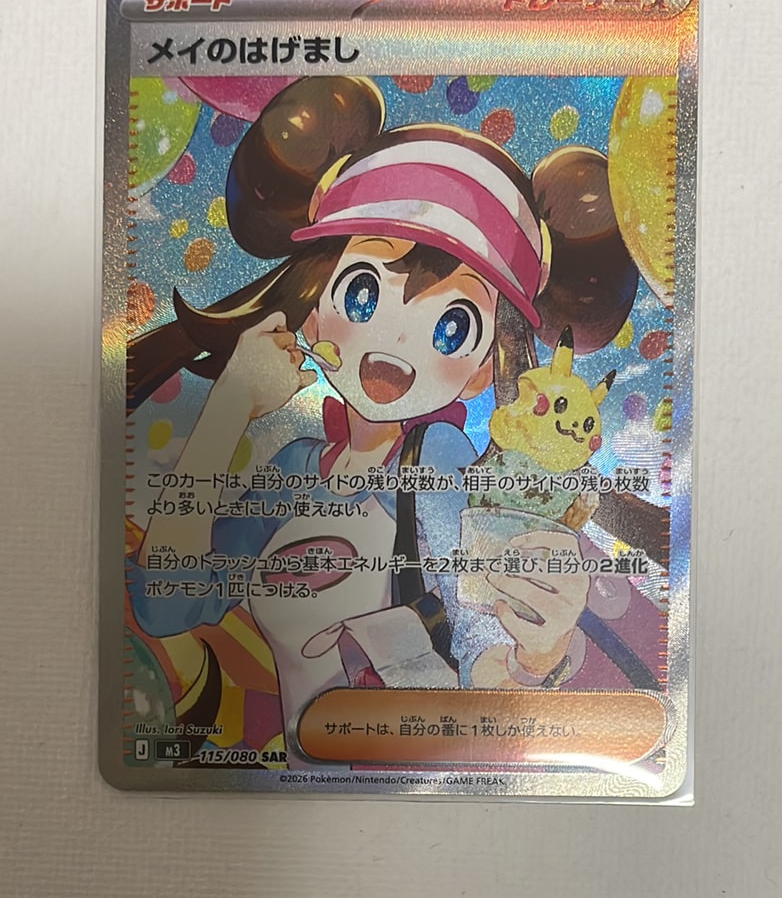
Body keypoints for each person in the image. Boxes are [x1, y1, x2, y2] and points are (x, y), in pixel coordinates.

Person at [126, 77, 656, 759]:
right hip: (296, 793)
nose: (396, 345)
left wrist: (541, 651)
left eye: (451, 326)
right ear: (313, 308)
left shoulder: (438, 461)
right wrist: (228, 407)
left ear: (479, 367)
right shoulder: (296, 470)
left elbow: (484, 650)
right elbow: (166, 600)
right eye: (363, 292)